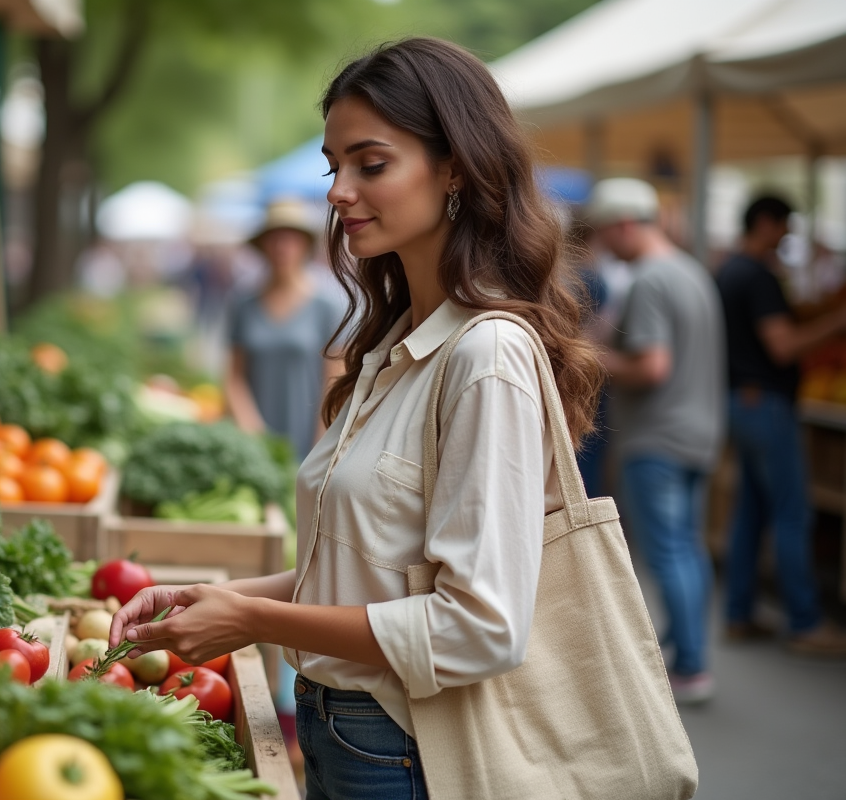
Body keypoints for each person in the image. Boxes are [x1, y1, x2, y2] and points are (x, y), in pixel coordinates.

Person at [109, 38, 603, 798]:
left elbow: (481, 629)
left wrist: (252, 619)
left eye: (370, 164)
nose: (338, 192)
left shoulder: (486, 357)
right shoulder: (391, 345)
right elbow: (362, 572)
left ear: (456, 170)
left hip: (404, 751)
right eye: (332, 166)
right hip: (344, 729)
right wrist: (213, 599)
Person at [592, 177, 725, 704]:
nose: (604, 245)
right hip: (699, 432)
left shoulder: (649, 279)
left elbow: (651, 367)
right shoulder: (692, 271)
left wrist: (591, 357)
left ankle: (691, 666)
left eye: (605, 233)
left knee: (668, 552)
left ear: (626, 223)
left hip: (658, 437)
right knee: (687, 548)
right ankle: (686, 652)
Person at [716, 195, 846, 656]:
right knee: (793, 514)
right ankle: (806, 621)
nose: (787, 234)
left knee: (750, 513)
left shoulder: (730, 271)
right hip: (767, 405)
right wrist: (835, 323)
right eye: (785, 225)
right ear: (767, 223)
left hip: (742, 403)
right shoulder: (758, 277)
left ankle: (739, 613)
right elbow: (784, 347)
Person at [224, 198, 347, 460]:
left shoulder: (327, 305)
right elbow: (234, 376)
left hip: (311, 438)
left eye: (291, 238)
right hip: (253, 441)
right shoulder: (243, 304)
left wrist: (320, 448)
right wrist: (250, 431)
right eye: (274, 238)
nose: (282, 247)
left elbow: (335, 383)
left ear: (305, 245)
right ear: (262, 245)